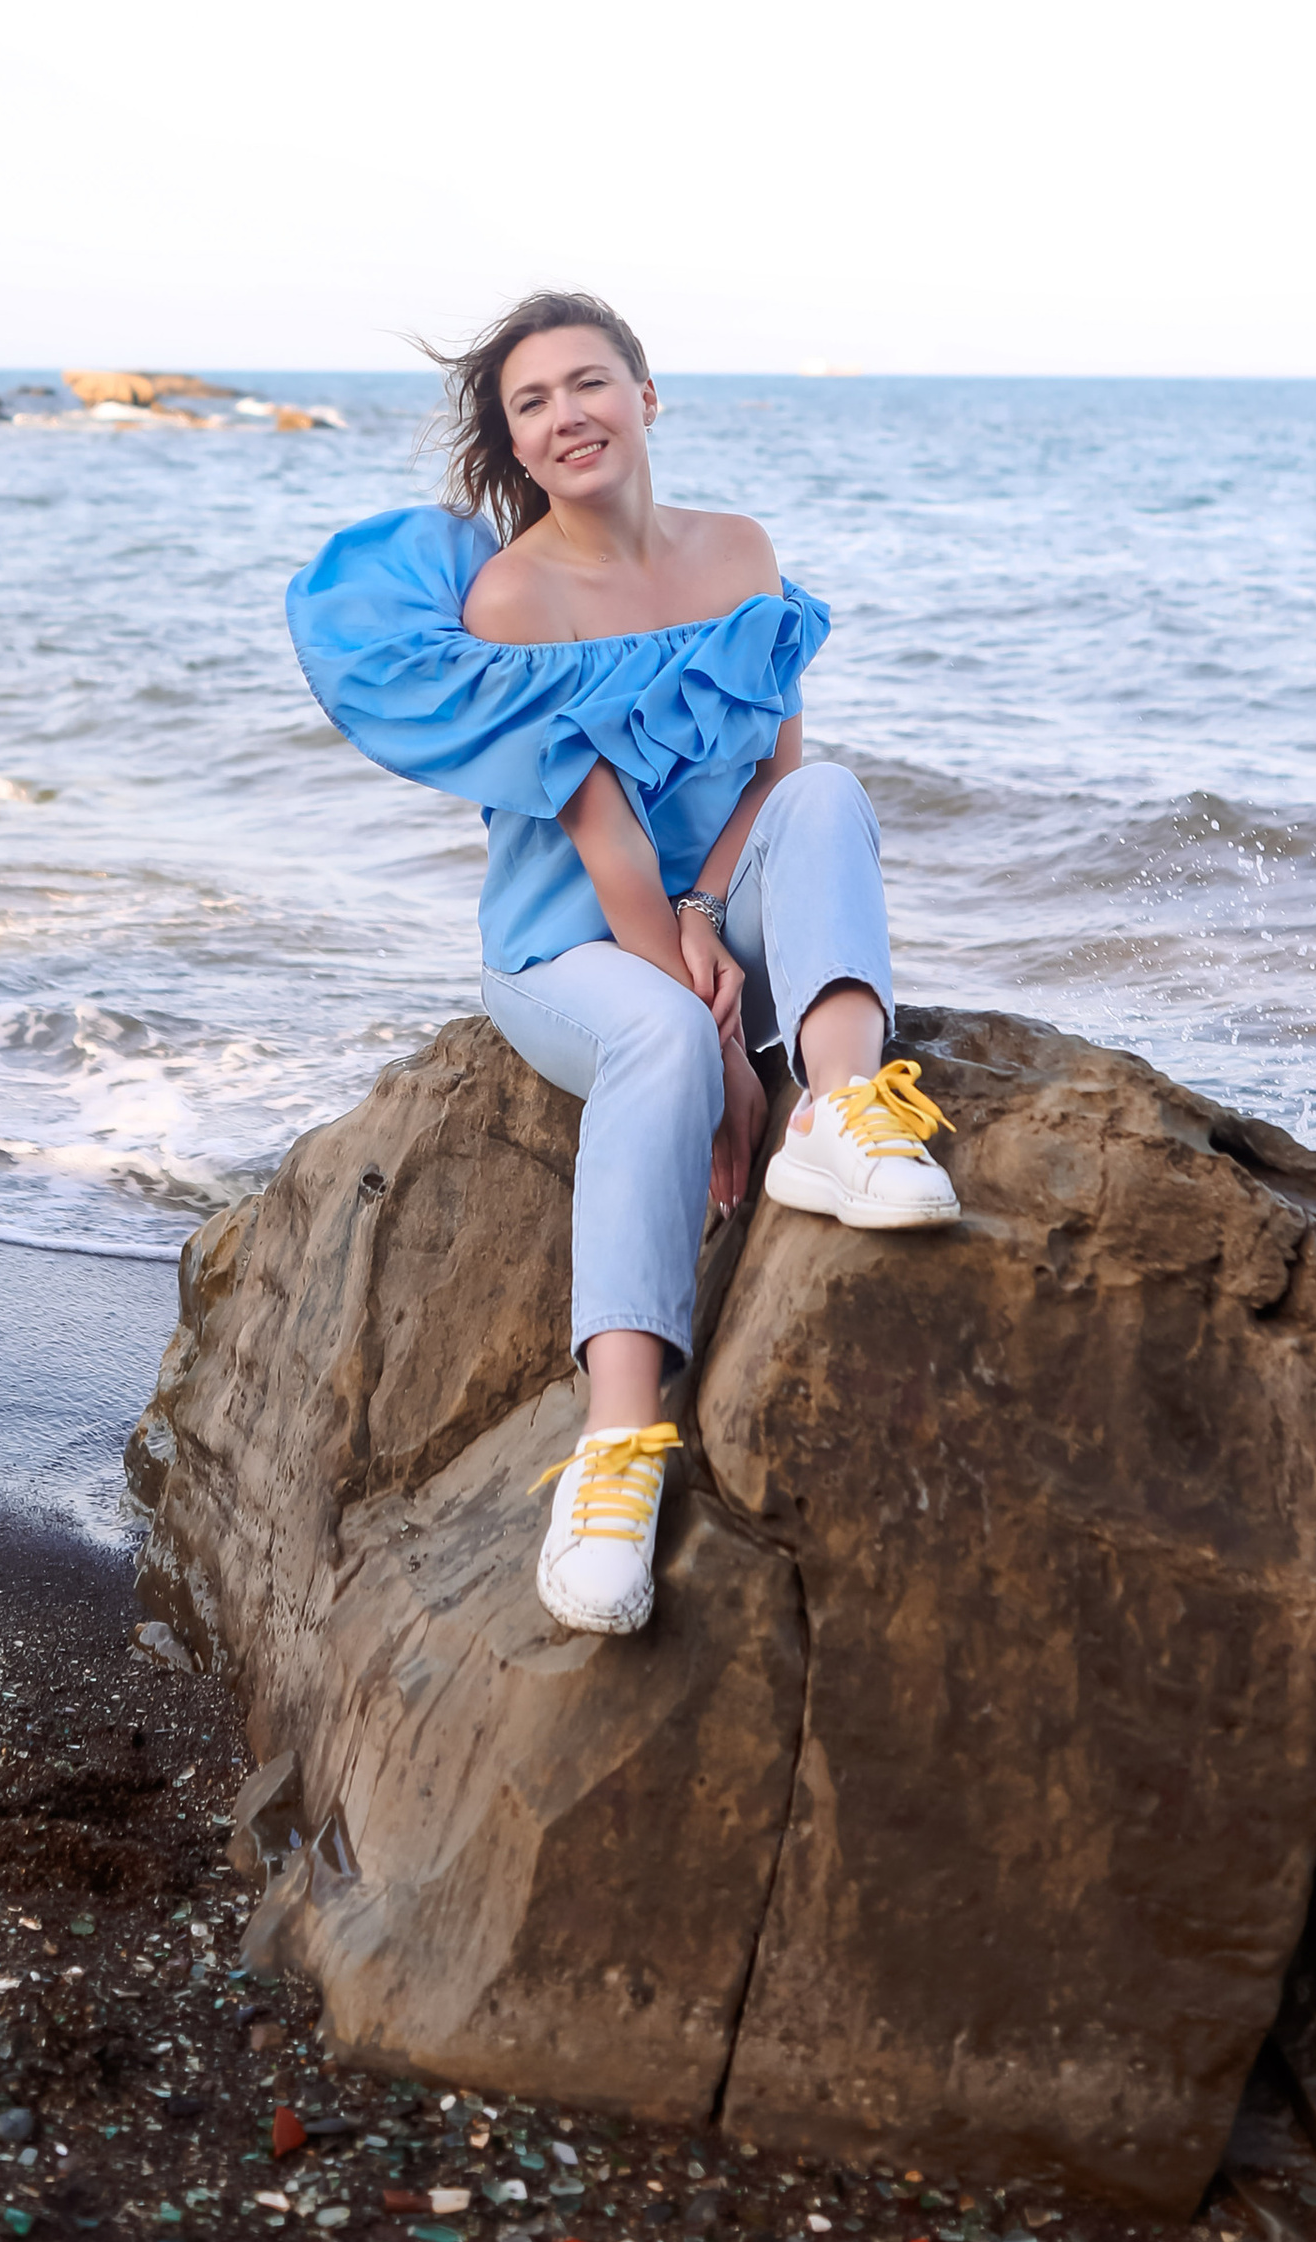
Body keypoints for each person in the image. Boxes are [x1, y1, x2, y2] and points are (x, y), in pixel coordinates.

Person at [285, 287, 958, 1643]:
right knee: (657, 1035)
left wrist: (710, 911)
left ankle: (841, 1111)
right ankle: (615, 1455)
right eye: (531, 403)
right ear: (515, 447)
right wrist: (717, 1046)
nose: (566, 415)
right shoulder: (516, 596)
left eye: (588, 383)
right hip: (569, 943)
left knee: (829, 795)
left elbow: (774, 774)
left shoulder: (740, 551)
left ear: (646, 397)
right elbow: (600, 837)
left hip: (706, 909)